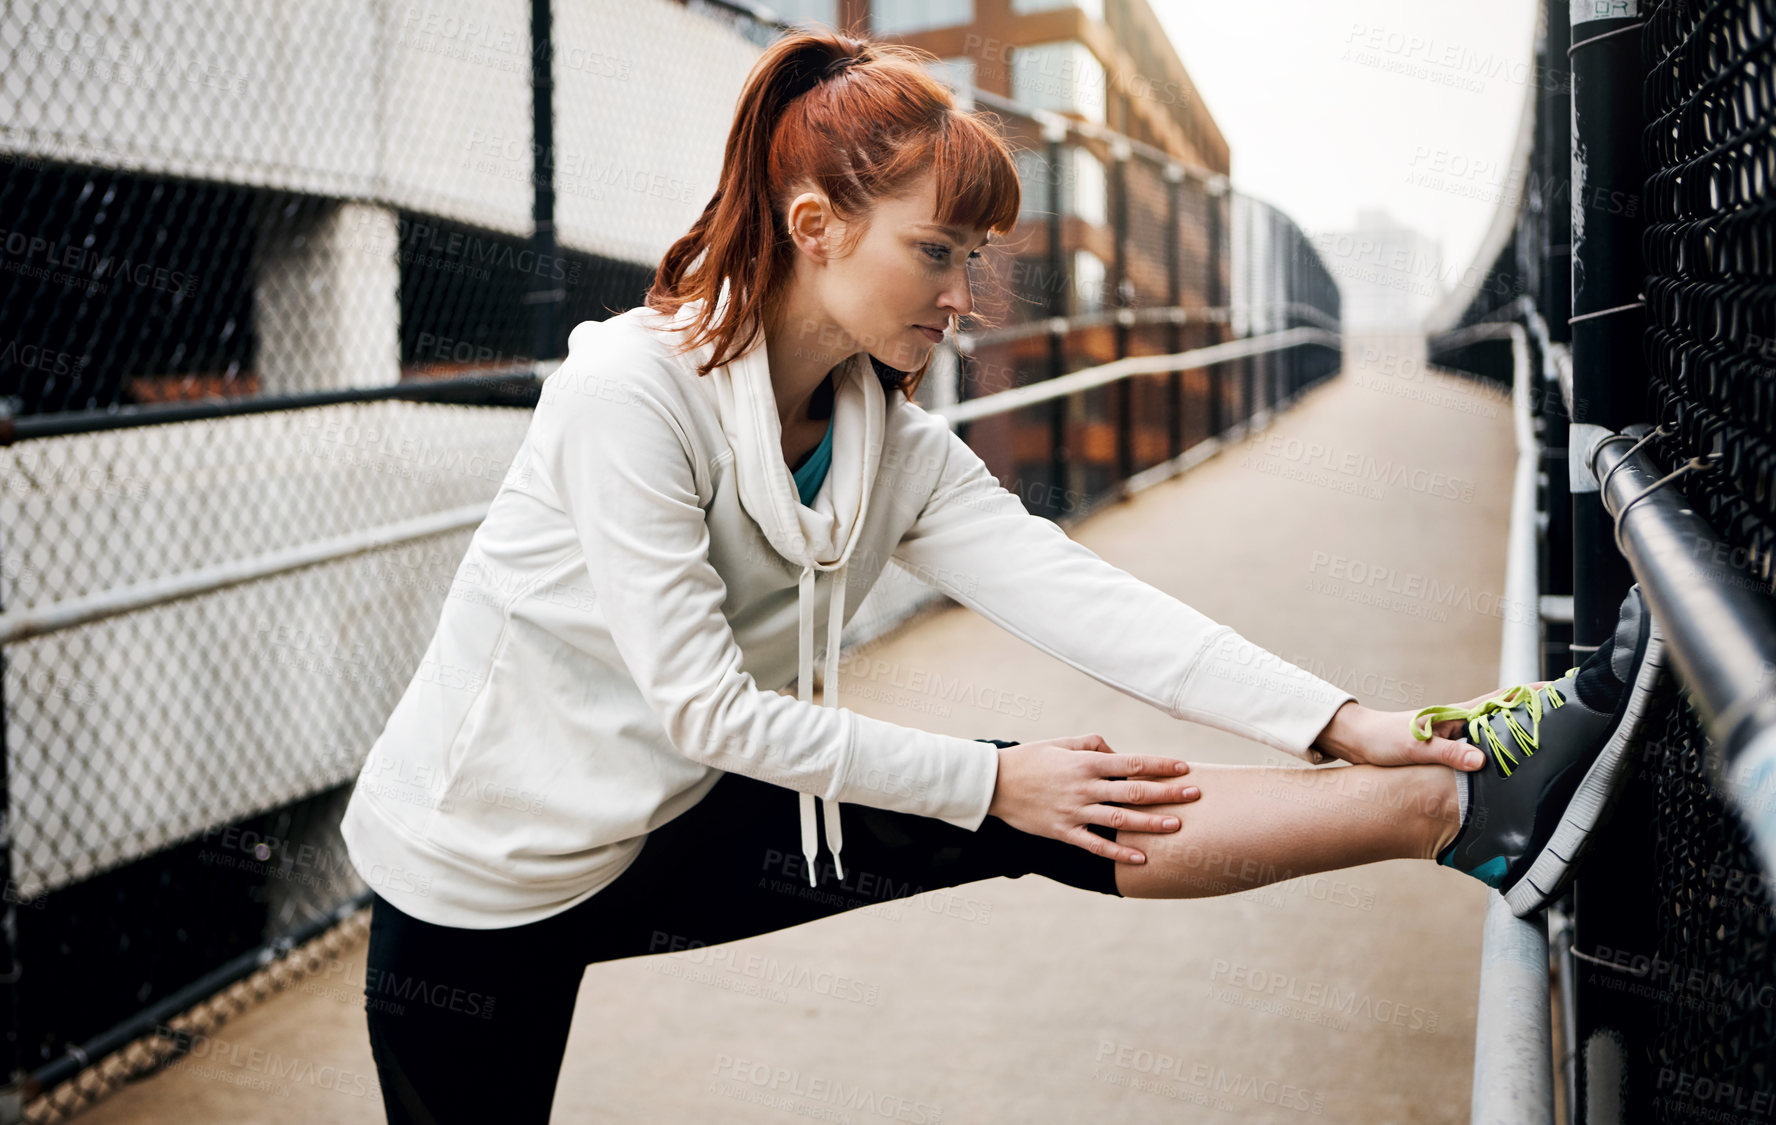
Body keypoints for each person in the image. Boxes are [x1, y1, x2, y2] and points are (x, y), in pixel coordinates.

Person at [339, 29, 1665, 1125]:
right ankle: (1440, 802)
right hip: (480, 880)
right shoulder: (630, 394)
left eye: (975, 260)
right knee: (1012, 790)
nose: (965, 295)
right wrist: (989, 777)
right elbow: (701, 704)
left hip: (668, 813)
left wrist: (1339, 718)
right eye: (936, 252)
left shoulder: (885, 439)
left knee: (1052, 808)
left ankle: (1449, 803)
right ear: (814, 226)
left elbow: (1082, 593)